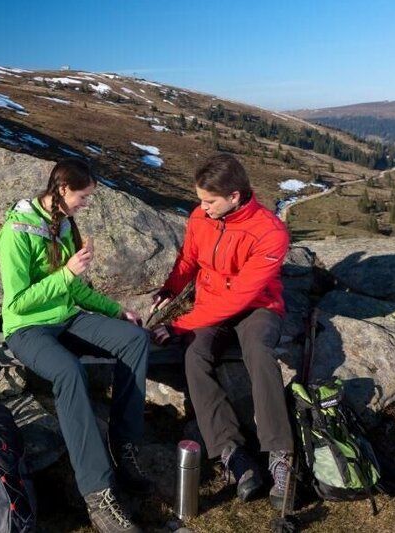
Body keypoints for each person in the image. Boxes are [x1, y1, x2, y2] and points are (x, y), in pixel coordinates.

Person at [0, 158, 152, 533]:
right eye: (83, 197)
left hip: (66, 318)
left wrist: (116, 310)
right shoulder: (16, 231)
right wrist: (67, 273)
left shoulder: (63, 224)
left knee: (135, 339)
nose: (85, 204)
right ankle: (98, 494)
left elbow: (75, 290)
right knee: (69, 371)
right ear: (63, 190)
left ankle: (124, 446)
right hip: (27, 329)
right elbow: (17, 303)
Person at [150, 153, 294, 511]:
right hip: (211, 302)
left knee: (258, 351)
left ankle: (280, 455)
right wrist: (170, 289)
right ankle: (232, 453)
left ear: (234, 196)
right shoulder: (201, 216)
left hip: (257, 306)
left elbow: (240, 296)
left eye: (209, 201)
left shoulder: (270, 232)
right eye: (200, 199)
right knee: (195, 356)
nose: (202, 208)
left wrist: (180, 324)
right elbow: (189, 258)